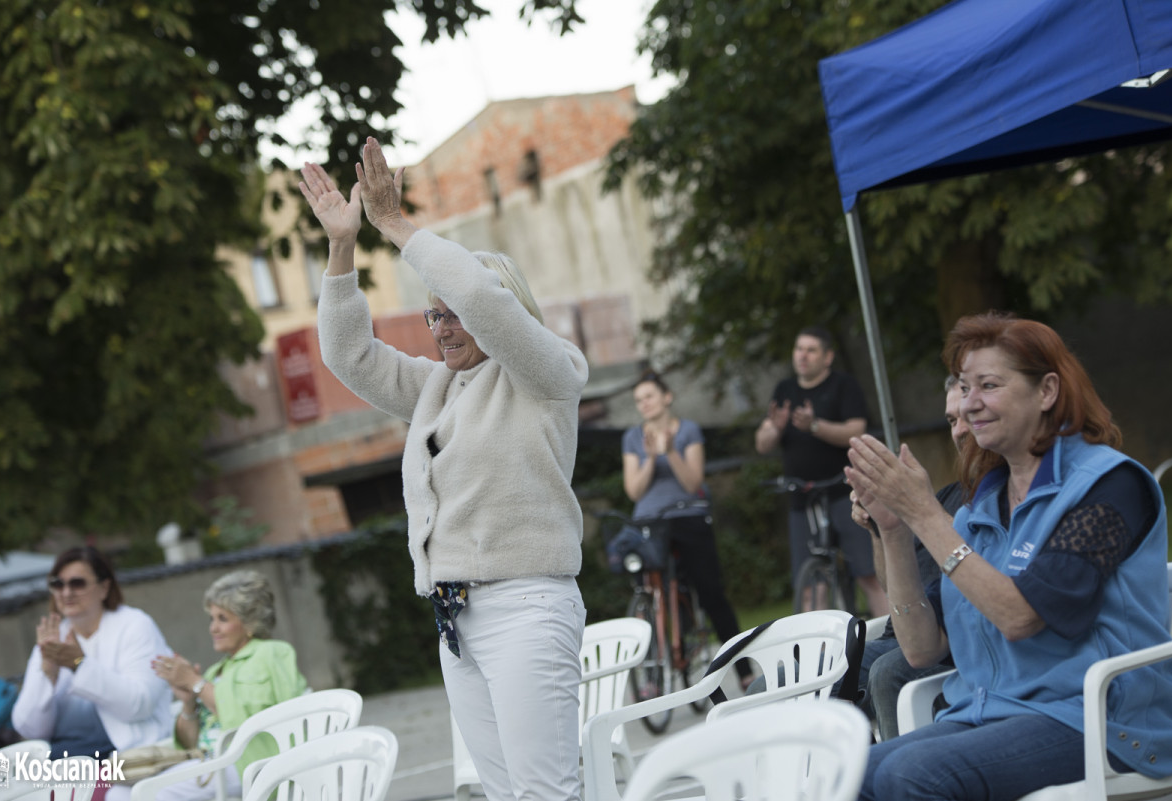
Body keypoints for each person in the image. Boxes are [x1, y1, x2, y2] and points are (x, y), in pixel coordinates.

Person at [299, 137, 589, 801]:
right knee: (500, 790)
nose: (443, 327)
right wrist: (343, 246)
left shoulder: (545, 372)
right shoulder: (435, 387)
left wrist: (395, 224)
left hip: (526, 604)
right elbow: (347, 354)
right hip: (457, 617)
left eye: (453, 312)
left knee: (546, 792)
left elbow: (485, 303)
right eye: (433, 314)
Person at [847, 312, 1172, 800]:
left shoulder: (1110, 486)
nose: (970, 403)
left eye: (988, 385)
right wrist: (895, 529)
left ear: (1046, 392)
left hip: (1102, 721)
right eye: (965, 387)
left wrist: (926, 516)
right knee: (844, 775)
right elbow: (921, 649)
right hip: (987, 712)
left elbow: (1020, 615)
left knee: (913, 776)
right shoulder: (981, 508)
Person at [848, 375, 969, 739]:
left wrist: (922, 510)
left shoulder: (991, 501)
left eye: (969, 415)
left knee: (888, 672)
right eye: (951, 420)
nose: (961, 430)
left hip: (951, 641)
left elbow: (983, 558)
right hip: (903, 632)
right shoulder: (948, 495)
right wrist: (881, 530)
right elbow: (894, 585)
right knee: (779, 680)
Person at [622, 371, 751, 686]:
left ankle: (744, 671)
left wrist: (671, 452)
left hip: (687, 515)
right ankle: (652, 675)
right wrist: (651, 458)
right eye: (639, 400)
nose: (644, 404)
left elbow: (693, 483)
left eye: (649, 396)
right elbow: (634, 491)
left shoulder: (688, 430)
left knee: (710, 592)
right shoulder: (632, 438)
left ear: (667, 397)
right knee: (649, 593)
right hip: (650, 522)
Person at [11, 547, 173, 798]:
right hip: (63, 759)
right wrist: (47, 673)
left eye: (77, 583)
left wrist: (79, 664)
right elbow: (30, 730)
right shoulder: (52, 638)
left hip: (122, 758)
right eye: (57, 584)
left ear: (104, 588)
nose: (66, 592)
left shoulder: (134, 625)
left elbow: (140, 704)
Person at [754, 326, 888, 616]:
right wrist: (775, 428)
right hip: (802, 500)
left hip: (844, 492)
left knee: (869, 574)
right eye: (798, 349)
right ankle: (819, 655)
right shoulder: (785, 390)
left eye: (810, 350)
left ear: (827, 357)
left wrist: (815, 426)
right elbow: (762, 443)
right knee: (811, 584)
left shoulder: (843, 385)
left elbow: (856, 430)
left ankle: (894, 641)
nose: (802, 356)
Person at [151, 570, 306, 801]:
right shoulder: (216, 671)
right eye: (212, 618)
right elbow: (189, 745)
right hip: (212, 764)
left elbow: (247, 720)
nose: (213, 628)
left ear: (249, 622)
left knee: (155, 792)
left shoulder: (271, 653)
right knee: (120, 792)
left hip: (251, 763)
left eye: (223, 619)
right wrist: (189, 702)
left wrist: (195, 682)